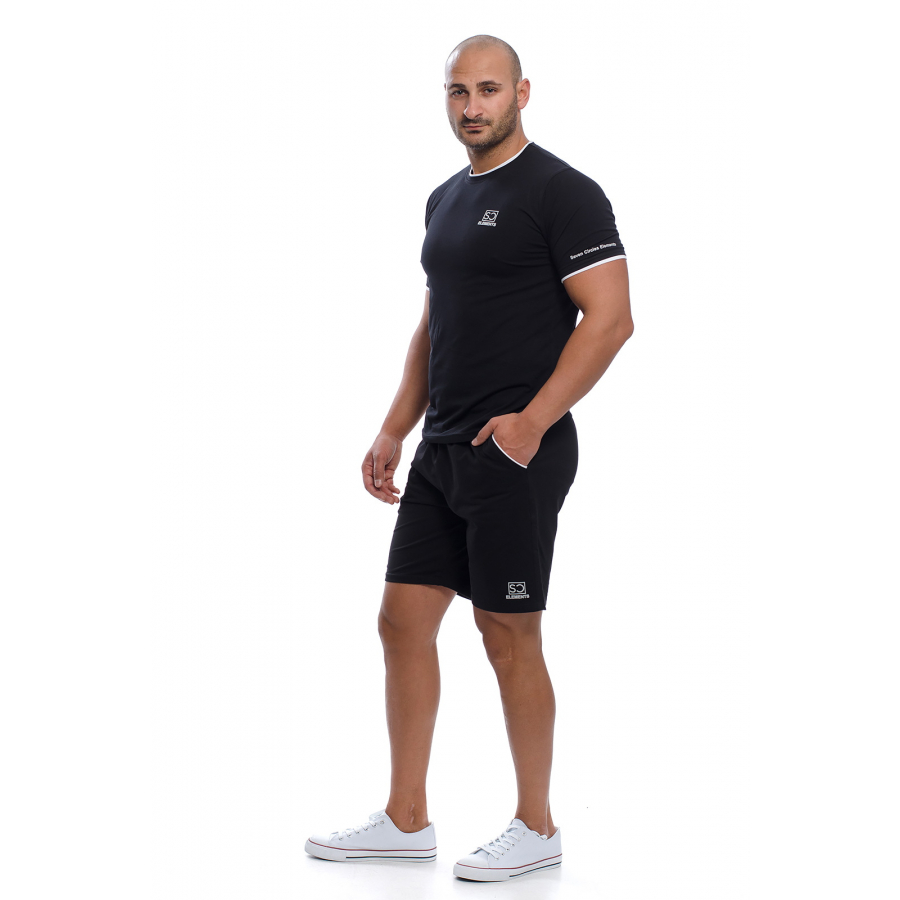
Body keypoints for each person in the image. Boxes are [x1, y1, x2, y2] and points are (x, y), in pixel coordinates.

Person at [305, 34, 634, 882]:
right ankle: (405, 819)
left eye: (489, 89)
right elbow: (435, 324)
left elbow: (610, 319)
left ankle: (538, 826)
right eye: (459, 91)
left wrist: (533, 421)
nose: (472, 106)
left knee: (506, 632)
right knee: (401, 622)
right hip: (443, 447)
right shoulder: (444, 199)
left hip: (516, 451)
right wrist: (394, 428)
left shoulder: (563, 192)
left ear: (522, 92)